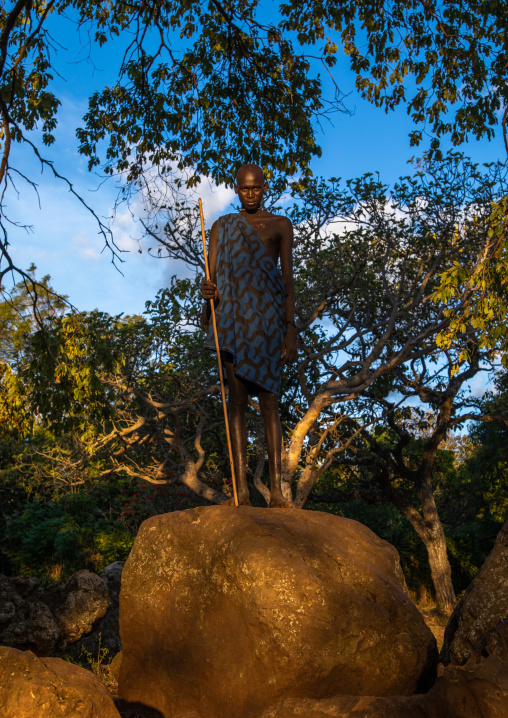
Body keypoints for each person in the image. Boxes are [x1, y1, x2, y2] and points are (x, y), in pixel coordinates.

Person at [202, 164, 297, 507]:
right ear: (236, 190)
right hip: (233, 322)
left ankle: (276, 494)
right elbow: (211, 278)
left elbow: (287, 282)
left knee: (270, 403)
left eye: (256, 188)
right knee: (237, 404)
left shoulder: (280, 225)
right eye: (244, 189)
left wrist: (291, 330)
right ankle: (240, 491)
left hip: (269, 324)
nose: (250, 194)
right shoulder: (221, 227)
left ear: (265, 187)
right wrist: (206, 297)